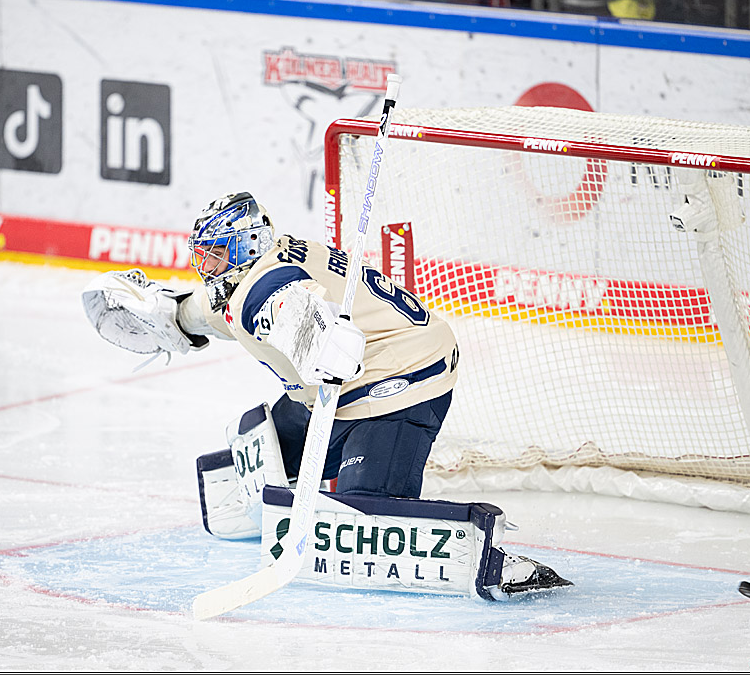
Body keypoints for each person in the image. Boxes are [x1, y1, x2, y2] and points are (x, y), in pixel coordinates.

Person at [83, 192, 573, 598]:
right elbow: (204, 311)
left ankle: (496, 564)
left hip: (401, 380)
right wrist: (169, 313)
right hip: (335, 389)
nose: (206, 266)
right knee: (268, 439)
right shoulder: (249, 278)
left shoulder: (266, 289)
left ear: (248, 244)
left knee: (364, 526)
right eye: (202, 254)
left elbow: (287, 301)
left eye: (217, 254)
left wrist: (319, 339)